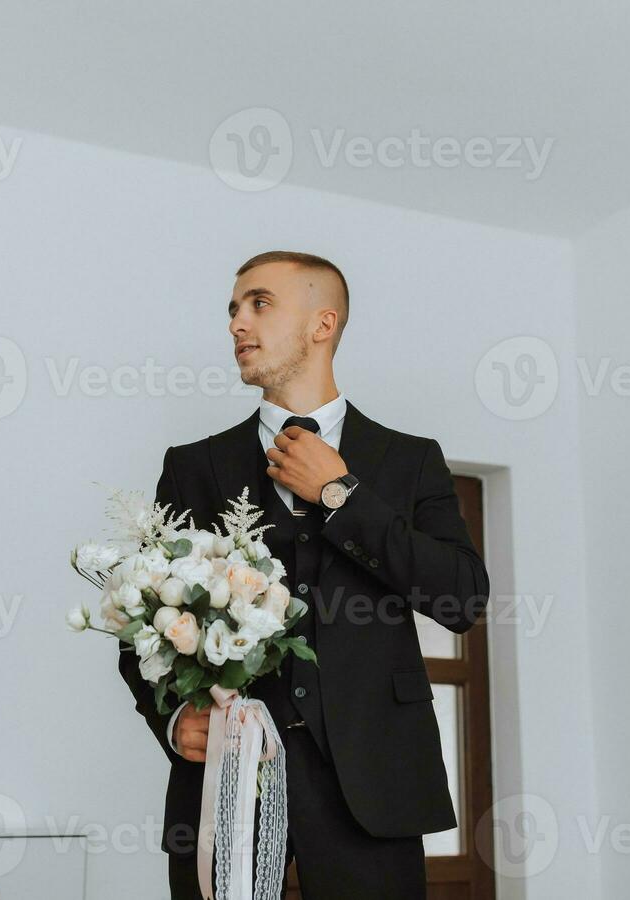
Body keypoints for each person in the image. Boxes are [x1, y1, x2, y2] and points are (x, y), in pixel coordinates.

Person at [118, 250, 490, 899]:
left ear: (323, 323)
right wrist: (176, 720)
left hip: (374, 787)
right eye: (233, 308)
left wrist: (342, 493)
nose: (237, 322)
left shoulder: (409, 461)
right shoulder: (192, 467)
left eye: (259, 303)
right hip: (226, 786)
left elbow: (461, 597)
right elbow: (139, 623)